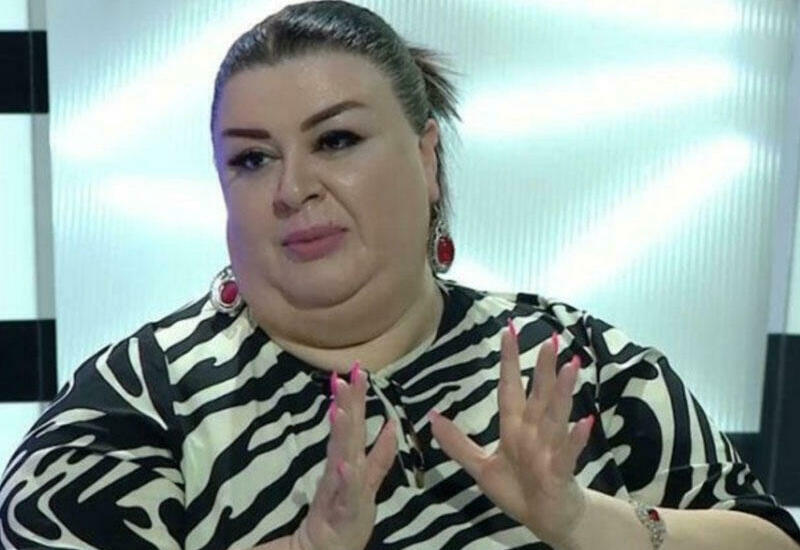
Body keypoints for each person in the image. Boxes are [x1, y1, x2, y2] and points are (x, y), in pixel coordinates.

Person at [1, 1, 798, 549]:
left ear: (427, 157)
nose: (292, 189)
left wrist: (588, 523)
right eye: (251, 159)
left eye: (336, 141)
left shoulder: (574, 361)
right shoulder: (137, 403)